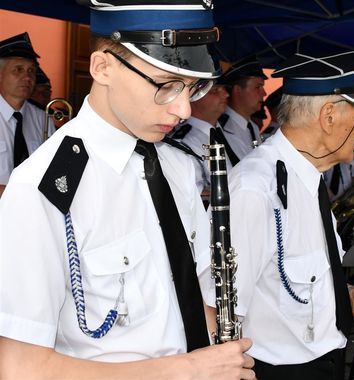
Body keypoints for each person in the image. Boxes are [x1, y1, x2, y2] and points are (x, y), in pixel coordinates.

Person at [0, 2, 255, 379]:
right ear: (103, 68)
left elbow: (194, 296)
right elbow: (21, 368)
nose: (184, 108)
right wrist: (184, 371)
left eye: (194, 87)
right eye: (167, 86)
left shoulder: (179, 166)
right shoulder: (44, 189)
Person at [225, 50, 354, 380]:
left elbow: (293, 285)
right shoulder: (255, 188)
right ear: (328, 116)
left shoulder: (308, 178)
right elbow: (220, 310)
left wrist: (347, 298)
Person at [0, 32, 55, 198]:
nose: (28, 77)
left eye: (31, 70)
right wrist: (17, 196)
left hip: (34, 214)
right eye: (18, 70)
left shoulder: (43, 118)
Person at [171, 82, 230, 197]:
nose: (226, 95)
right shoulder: (184, 142)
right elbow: (193, 196)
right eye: (215, 91)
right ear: (194, 96)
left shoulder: (225, 133)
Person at [215, 56, 267, 166]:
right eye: (258, 87)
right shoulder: (221, 128)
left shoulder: (252, 127)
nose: (264, 94)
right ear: (238, 90)